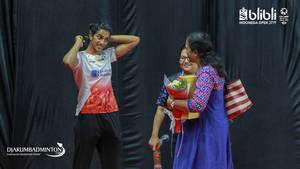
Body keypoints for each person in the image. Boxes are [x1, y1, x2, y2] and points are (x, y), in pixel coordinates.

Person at [63, 22, 140, 169]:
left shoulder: (108, 54)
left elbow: (135, 40)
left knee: (112, 163)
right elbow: (67, 61)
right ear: (90, 36)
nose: (102, 42)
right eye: (99, 37)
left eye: (105, 39)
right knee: (81, 163)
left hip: (110, 114)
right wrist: (78, 43)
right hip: (88, 115)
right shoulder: (80, 58)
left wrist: (109, 38)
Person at [166, 31, 234, 169]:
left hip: (208, 129)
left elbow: (198, 104)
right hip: (215, 125)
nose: (185, 50)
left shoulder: (206, 72)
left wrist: (174, 102)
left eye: (187, 47)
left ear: (195, 53)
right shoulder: (213, 68)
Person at [148, 45, 198, 151]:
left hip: (201, 131)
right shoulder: (172, 81)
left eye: (190, 58)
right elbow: (161, 108)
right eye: (183, 57)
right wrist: (154, 135)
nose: (186, 61)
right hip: (180, 132)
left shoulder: (204, 80)